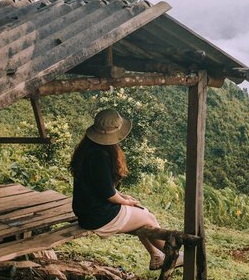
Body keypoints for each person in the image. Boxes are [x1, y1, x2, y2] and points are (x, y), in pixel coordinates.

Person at [70, 108, 181, 270]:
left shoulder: (87, 150)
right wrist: (125, 202)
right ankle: (172, 257)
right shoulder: (100, 156)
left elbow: (101, 186)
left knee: (142, 214)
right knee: (148, 217)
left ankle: (156, 255)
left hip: (86, 212)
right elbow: (108, 194)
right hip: (98, 216)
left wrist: (123, 197)